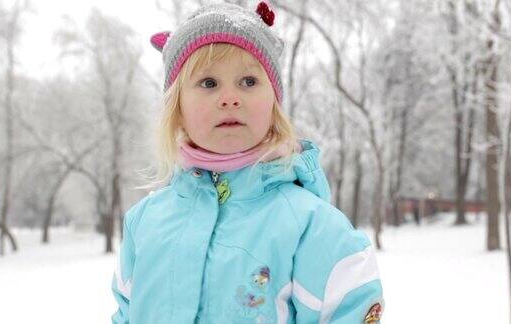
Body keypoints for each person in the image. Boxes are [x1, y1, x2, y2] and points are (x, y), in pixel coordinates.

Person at [111, 2, 383, 323]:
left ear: (273, 104)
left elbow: (347, 310)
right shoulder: (145, 221)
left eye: (248, 82)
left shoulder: (308, 225)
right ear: (178, 106)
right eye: (209, 83)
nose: (230, 98)